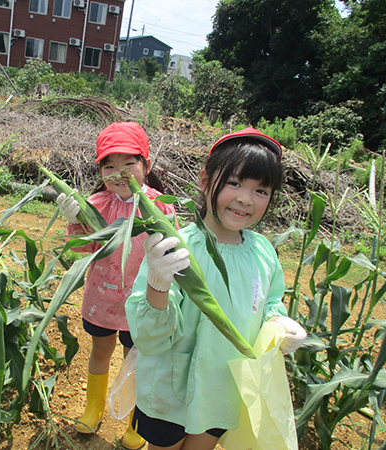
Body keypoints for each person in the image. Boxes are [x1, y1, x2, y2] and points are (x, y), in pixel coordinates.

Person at [124, 127, 307, 450]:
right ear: (205, 180)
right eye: (234, 183)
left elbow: (268, 301)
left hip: (224, 388)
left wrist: (280, 324)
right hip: (171, 387)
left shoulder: (264, 251)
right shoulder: (176, 248)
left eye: (261, 191)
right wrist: (158, 283)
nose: (245, 199)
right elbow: (149, 337)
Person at [56, 121, 179, 450]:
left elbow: (175, 253)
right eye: (109, 166)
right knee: (99, 352)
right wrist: (75, 219)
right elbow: (81, 248)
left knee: (134, 360)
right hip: (102, 299)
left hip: (141, 305)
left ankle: (135, 423)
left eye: (129, 164)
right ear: (99, 170)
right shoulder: (96, 203)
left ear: (146, 166)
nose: (119, 173)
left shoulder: (160, 206)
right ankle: (94, 408)